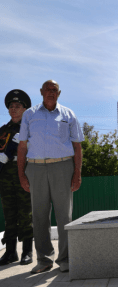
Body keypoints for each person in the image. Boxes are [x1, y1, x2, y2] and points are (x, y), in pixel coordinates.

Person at [18, 80, 84, 274]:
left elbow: (77, 147)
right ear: (41, 92)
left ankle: (65, 259)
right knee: (39, 216)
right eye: (47, 89)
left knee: (65, 215)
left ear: (59, 93)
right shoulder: (29, 115)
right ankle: (44, 259)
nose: (50, 92)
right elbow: (22, 147)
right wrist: (21, 175)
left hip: (63, 167)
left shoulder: (68, 114)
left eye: (54, 90)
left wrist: (77, 174)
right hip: (36, 169)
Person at [0, 89, 33, 266]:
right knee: (9, 213)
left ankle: (27, 251)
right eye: (11, 106)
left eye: (17, 106)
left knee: (26, 212)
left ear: (25, 109)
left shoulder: (31, 128)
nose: (14, 109)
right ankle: (10, 252)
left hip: (24, 172)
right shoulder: (3, 131)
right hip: (5, 175)